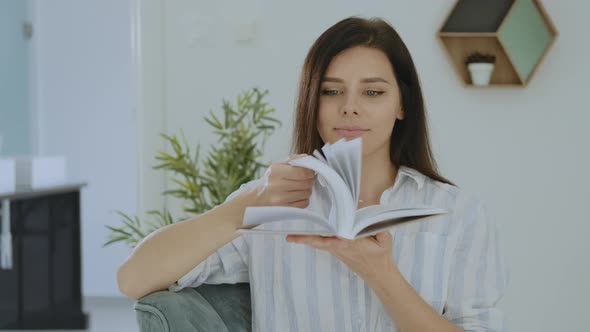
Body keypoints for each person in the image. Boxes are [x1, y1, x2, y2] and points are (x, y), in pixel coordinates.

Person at [118, 16, 507, 331]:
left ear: (402, 105)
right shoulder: (270, 202)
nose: (350, 108)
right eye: (330, 91)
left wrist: (382, 276)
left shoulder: (456, 212)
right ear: (311, 102)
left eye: (372, 92)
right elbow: (133, 279)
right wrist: (243, 208)